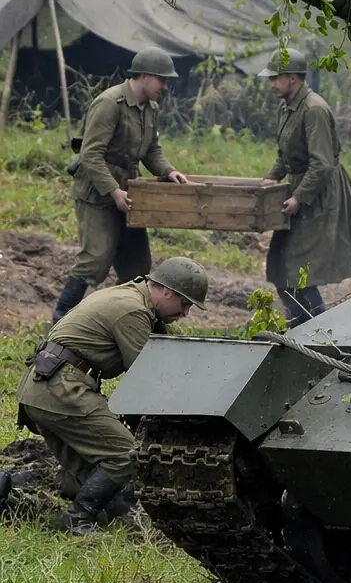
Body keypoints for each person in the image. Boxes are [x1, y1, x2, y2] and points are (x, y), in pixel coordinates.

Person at [10, 257, 207, 534]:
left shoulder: (130, 296)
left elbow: (164, 350)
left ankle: (96, 509)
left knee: (90, 472)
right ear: (166, 291)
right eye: (185, 303)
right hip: (61, 390)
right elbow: (148, 376)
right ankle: (77, 518)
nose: (186, 312)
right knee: (126, 455)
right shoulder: (132, 311)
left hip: (41, 387)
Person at [53, 47, 190, 323]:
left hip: (130, 193)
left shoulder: (150, 108)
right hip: (97, 193)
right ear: (143, 76)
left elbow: (152, 150)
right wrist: (113, 191)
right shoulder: (109, 103)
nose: (165, 86)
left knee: (138, 266)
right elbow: (90, 154)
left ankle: (132, 321)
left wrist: (169, 171)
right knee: (95, 259)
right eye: (161, 80)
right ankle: (60, 318)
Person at [259, 52, 351, 324]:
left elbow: (322, 164)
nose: (271, 85)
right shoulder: (287, 106)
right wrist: (271, 179)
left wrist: (299, 197)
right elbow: (285, 153)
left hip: (320, 195)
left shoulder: (314, 109)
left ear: (293, 79)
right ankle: (302, 324)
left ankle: (318, 330)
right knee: (281, 266)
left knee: (298, 269)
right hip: (301, 185)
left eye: (275, 78)